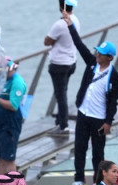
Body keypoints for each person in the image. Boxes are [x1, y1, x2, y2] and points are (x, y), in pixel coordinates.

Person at [65, 11, 118, 185]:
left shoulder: (114, 77)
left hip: (99, 119)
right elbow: (79, 45)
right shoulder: (92, 64)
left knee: (98, 153)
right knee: (79, 148)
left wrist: (108, 122)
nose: (97, 54)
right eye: (98, 51)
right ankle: (78, 179)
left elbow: (113, 102)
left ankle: (99, 182)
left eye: (102, 53)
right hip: (83, 114)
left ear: (110, 58)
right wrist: (70, 25)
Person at [44, 0, 79, 134]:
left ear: (61, 6)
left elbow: (47, 41)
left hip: (59, 63)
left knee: (61, 94)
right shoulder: (75, 19)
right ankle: (60, 120)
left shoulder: (59, 24)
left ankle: (63, 125)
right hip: (71, 60)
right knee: (63, 91)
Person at [0, 60, 27, 175]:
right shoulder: (3, 81)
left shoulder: (17, 82)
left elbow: (13, 105)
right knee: (0, 157)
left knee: (9, 159)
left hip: (9, 124)